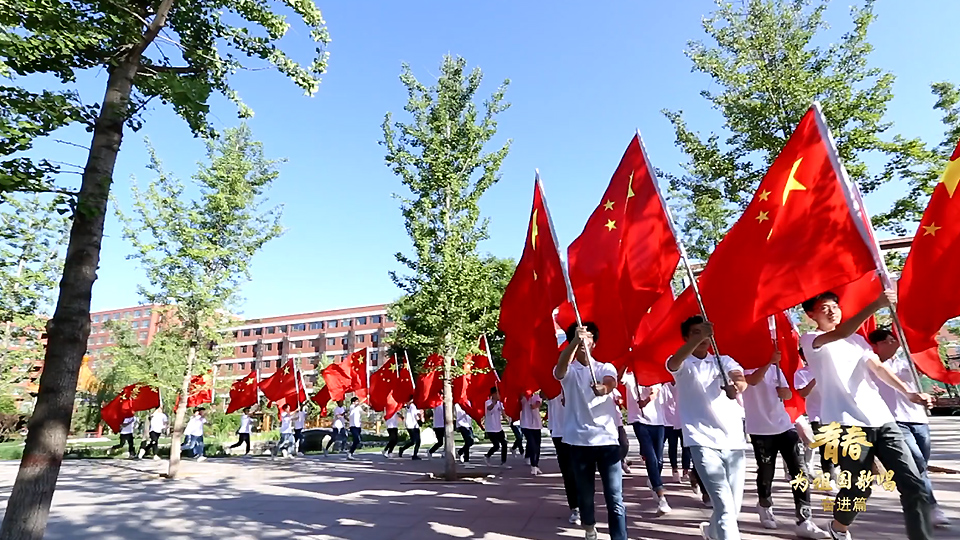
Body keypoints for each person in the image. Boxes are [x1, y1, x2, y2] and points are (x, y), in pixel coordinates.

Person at [800, 290, 933, 540]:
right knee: (858, 488)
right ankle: (839, 526)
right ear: (811, 314)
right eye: (824, 307)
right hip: (844, 424)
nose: (832, 310)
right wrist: (877, 304)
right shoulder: (811, 340)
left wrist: (909, 393)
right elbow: (840, 333)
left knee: (914, 484)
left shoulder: (857, 341)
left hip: (882, 420)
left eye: (835, 305)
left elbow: (879, 368)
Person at [667, 316, 748, 540]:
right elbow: (674, 363)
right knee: (723, 505)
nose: (702, 338)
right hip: (700, 439)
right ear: (686, 337)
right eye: (695, 333)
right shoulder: (682, 364)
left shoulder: (724, 360)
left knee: (734, 508)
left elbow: (739, 378)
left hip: (733, 440)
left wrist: (735, 387)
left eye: (704, 333)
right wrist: (699, 338)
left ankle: (712, 531)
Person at [868, 328, 950, 528]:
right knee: (917, 463)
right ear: (876, 345)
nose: (893, 343)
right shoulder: (871, 366)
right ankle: (931, 507)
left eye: (894, 339)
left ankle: (919, 499)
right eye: (888, 341)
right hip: (893, 422)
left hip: (918, 419)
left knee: (920, 466)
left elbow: (926, 368)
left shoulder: (908, 363)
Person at [742, 349, 827, 538]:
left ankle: (804, 519)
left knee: (799, 470)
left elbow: (789, 395)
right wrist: (768, 363)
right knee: (766, 470)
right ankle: (765, 504)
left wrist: (786, 393)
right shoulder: (743, 368)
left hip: (785, 425)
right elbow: (753, 380)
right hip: (760, 429)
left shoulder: (777, 369)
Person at [555, 322, 626, 540]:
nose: (586, 341)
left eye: (589, 337)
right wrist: (575, 341)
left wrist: (604, 389)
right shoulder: (569, 371)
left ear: (594, 342)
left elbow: (610, 382)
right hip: (579, 442)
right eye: (581, 337)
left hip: (607, 440)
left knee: (614, 496)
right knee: (585, 495)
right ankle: (589, 527)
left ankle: (619, 536)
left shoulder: (605, 367)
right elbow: (559, 371)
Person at [624, 371, 672, 516]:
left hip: (658, 421)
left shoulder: (653, 372)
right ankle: (661, 497)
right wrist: (625, 364)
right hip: (639, 421)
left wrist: (646, 400)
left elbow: (655, 390)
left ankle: (653, 480)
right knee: (650, 457)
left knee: (659, 460)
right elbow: (619, 379)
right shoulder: (629, 376)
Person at [548, 390, 579, 526]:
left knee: (582, 471)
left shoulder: (577, 374)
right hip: (559, 432)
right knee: (568, 473)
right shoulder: (551, 380)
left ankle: (586, 506)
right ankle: (575, 508)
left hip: (579, 431)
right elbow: (544, 393)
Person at [661, 381, 691, 483]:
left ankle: (686, 470)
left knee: (686, 447)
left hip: (683, 421)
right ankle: (675, 470)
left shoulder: (683, 384)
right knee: (672, 446)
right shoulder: (665, 386)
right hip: (669, 422)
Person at [520, 390, 544, 475]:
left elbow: (537, 404)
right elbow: (517, 405)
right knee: (532, 444)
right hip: (526, 425)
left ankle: (536, 465)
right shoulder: (523, 398)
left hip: (536, 425)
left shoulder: (536, 397)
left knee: (537, 445)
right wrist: (524, 397)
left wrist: (534, 404)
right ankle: (533, 465)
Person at [484, 387, 509, 467]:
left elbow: (503, 413)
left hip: (498, 428)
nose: (499, 395)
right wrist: (494, 403)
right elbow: (489, 409)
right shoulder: (487, 402)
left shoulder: (500, 404)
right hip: (490, 428)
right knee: (496, 445)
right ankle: (487, 456)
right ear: (493, 394)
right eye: (497, 393)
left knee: (504, 443)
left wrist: (506, 418)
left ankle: (504, 462)